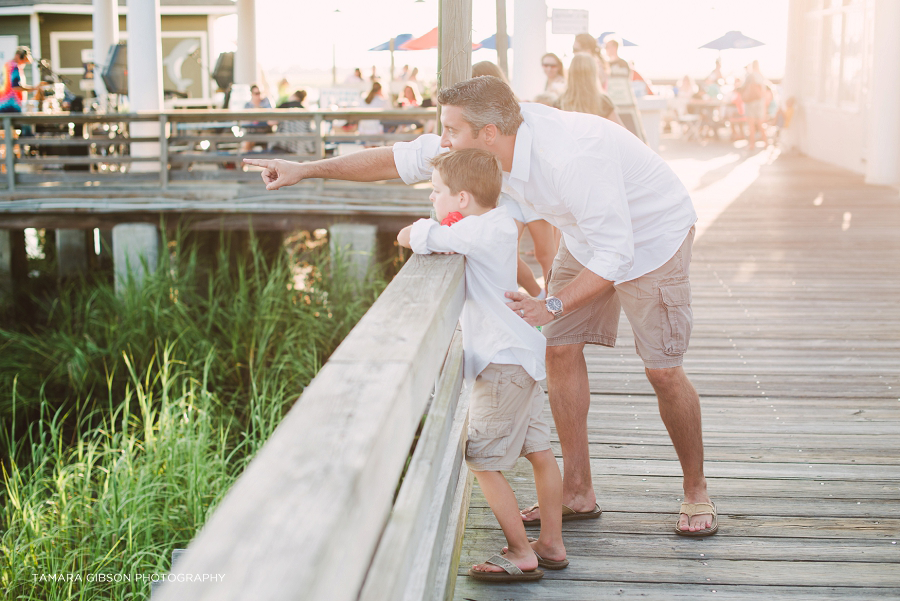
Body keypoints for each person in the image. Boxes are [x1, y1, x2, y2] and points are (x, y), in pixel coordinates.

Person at [242, 76, 718, 537]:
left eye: (450, 129)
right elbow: (397, 159)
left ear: (487, 133)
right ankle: (577, 491)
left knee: (662, 370)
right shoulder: (480, 145)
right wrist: (306, 170)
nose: (442, 139)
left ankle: (695, 491)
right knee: (559, 350)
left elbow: (619, 253)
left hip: (654, 236)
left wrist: (550, 302)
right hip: (588, 233)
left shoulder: (571, 158)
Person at [396, 148, 566, 582]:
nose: (432, 199)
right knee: (540, 452)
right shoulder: (499, 220)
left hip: (500, 363)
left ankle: (521, 551)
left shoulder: (473, 233)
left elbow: (412, 235)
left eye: (437, 192)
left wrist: (435, 225)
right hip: (522, 355)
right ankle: (551, 542)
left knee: (482, 460)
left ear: (463, 198)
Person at [471, 61, 558, 300]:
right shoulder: (473, 119)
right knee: (504, 249)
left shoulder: (516, 111)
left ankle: (552, 307)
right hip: (506, 192)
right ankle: (538, 296)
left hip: (530, 190)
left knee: (545, 253)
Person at [560, 54, 625, 128]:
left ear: (571, 73)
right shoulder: (602, 101)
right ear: (593, 73)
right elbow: (622, 132)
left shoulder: (560, 102)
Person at [1, 46, 46, 113]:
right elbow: (16, 86)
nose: (24, 62)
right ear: (19, 56)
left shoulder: (8, 64)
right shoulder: (14, 67)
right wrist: (33, 88)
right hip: (11, 105)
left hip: (5, 103)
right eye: (23, 59)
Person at [276, 90, 314, 155]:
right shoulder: (305, 109)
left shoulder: (284, 106)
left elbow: (271, 122)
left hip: (285, 142)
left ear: (294, 96)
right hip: (301, 143)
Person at [740, 61, 768, 148]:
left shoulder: (750, 75)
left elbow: (743, 87)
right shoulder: (762, 76)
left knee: (751, 124)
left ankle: (752, 144)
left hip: (751, 102)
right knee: (760, 123)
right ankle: (766, 142)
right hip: (760, 102)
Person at [241, 84, 273, 153]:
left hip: (265, 131)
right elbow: (245, 121)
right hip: (252, 132)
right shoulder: (247, 105)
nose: (258, 95)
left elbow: (270, 118)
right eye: (256, 93)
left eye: (260, 93)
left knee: (268, 149)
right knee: (246, 146)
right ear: (251, 94)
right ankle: (242, 162)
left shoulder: (266, 102)